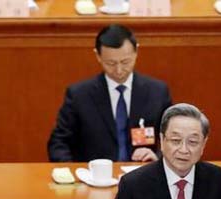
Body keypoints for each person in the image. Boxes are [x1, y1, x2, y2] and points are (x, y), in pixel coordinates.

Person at [48, 24, 171, 162]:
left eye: (125, 62)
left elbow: (173, 138)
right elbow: (58, 143)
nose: (119, 70)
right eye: (111, 63)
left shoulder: (157, 92)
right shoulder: (79, 95)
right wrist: (74, 174)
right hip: (93, 177)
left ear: (136, 52)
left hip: (142, 175)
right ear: (98, 56)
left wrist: (158, 158)